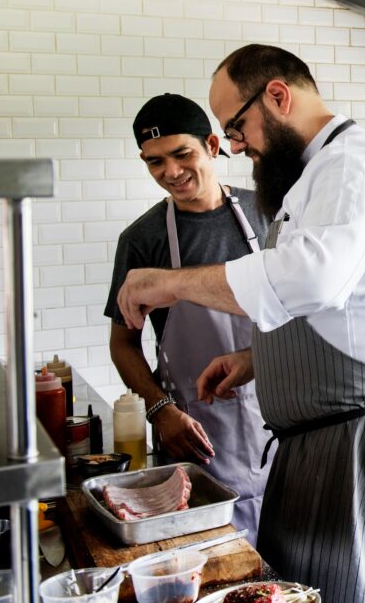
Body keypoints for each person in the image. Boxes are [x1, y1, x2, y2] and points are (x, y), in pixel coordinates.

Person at [115, 45, 365, 603]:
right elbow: (338, 307)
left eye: (237, 126)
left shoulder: (354, 164)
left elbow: (310, 281)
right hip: (333, 439)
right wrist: (260, 359)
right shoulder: (318, 173)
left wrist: (171, 282)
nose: (235, 145)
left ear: (277, 96)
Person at [105, 93, 271, 538]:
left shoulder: (269, 211)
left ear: (213, 146)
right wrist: (160, 411)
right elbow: (123, 342)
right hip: (197, 430)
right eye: (154, 162)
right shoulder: (143, 239)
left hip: (281, 418)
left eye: (182, 155)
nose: (171, 173)